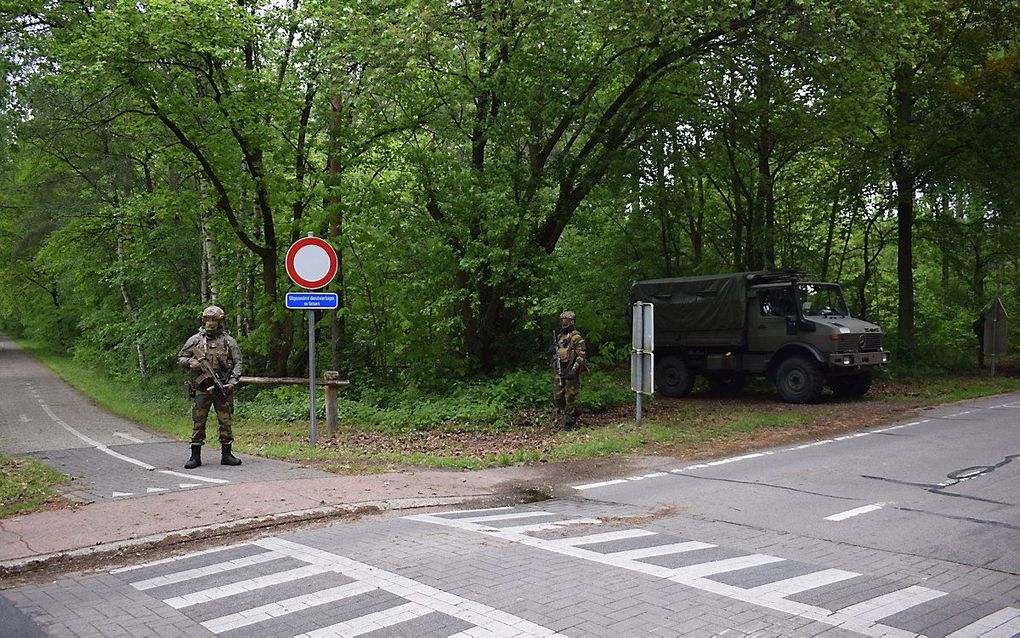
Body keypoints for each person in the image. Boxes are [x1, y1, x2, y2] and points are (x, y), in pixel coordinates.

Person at [177, 305, 242, 468]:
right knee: (198, 421)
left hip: (223, 387)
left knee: (225, 421)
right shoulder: (196, 340)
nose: (211, 323)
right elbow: (181, 358)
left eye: (214, 320)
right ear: (203, 320)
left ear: (220, 322)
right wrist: (191, 362)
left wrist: (233, 381)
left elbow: (238, 362)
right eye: (208, 320)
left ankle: (227, 455)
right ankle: (195, 456)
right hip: (201, 388)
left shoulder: (228, 341)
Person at [552, 310, 587, 430]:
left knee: (569, 396)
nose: (564, 323)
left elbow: (581, 355)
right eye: (562, 321)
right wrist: (553, 353)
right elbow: (558, 353)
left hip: (572, 369)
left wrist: (574, 369)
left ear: (572, 322)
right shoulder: (559, 337)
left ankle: (569, 421)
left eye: (566, 321)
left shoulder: (577, 337)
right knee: (558, 397)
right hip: (560, 369)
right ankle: (574, 411)